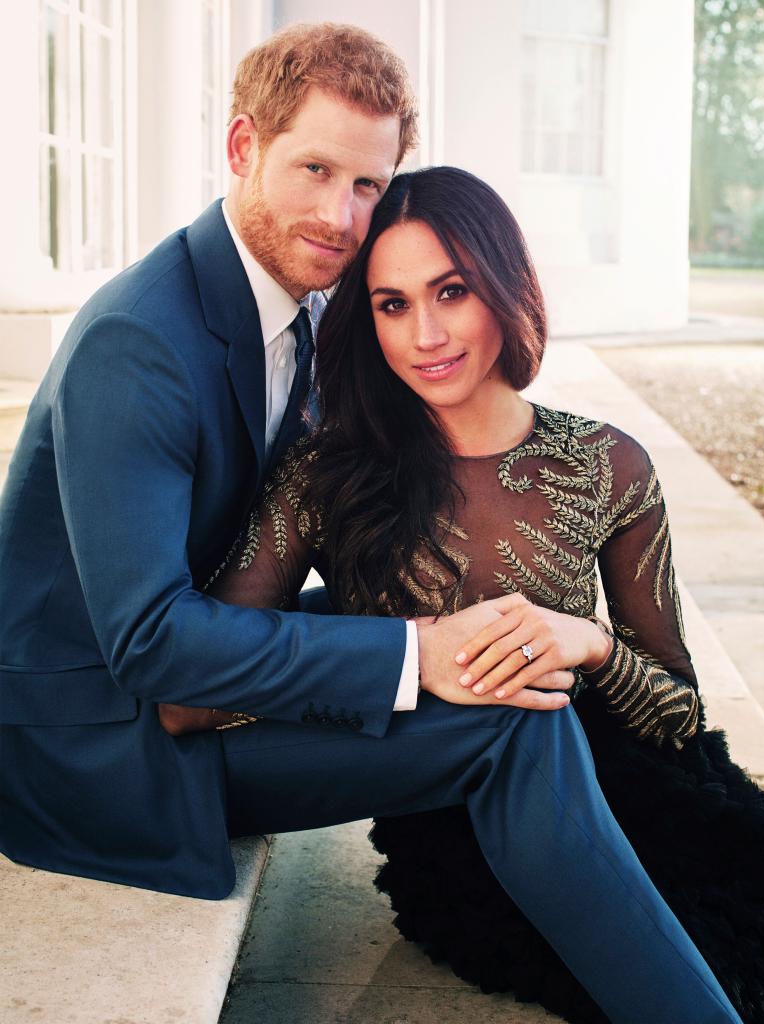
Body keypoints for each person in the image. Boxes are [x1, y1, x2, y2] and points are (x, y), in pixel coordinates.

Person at [161, 167, 764, 1023]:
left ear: (504, 285)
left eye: (453, 290)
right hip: (459, 835)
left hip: (638, 793)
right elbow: (198, 680)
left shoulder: (606, 465)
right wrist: (393, 668)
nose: (428, 334)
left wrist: (587, 643)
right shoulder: (325, 477)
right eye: (392, 303)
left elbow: (677, 713)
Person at [0, 24, 568, 901]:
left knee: (501, 649)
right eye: (315, 169)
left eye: (367, 184)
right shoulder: (137, 342)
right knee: (514, 723)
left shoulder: (297, 307)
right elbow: (149, 642)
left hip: (189, 675)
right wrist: (414, 654)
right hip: (103, 746)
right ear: (243, 146)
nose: (341, 217)